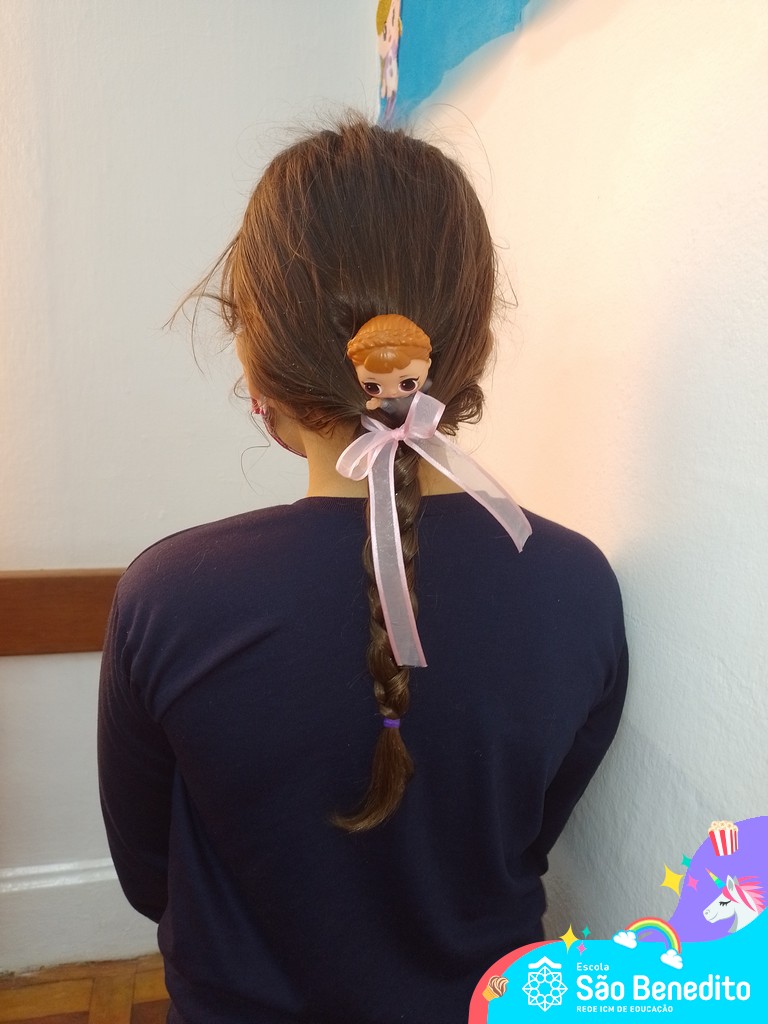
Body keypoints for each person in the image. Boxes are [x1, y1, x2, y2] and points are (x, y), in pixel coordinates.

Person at [98, 118, 628, 1024]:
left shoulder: (168, 598)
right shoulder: (577, 586)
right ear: (470, 355)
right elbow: (529, 839)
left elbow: (152, 878)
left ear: (257, 370)